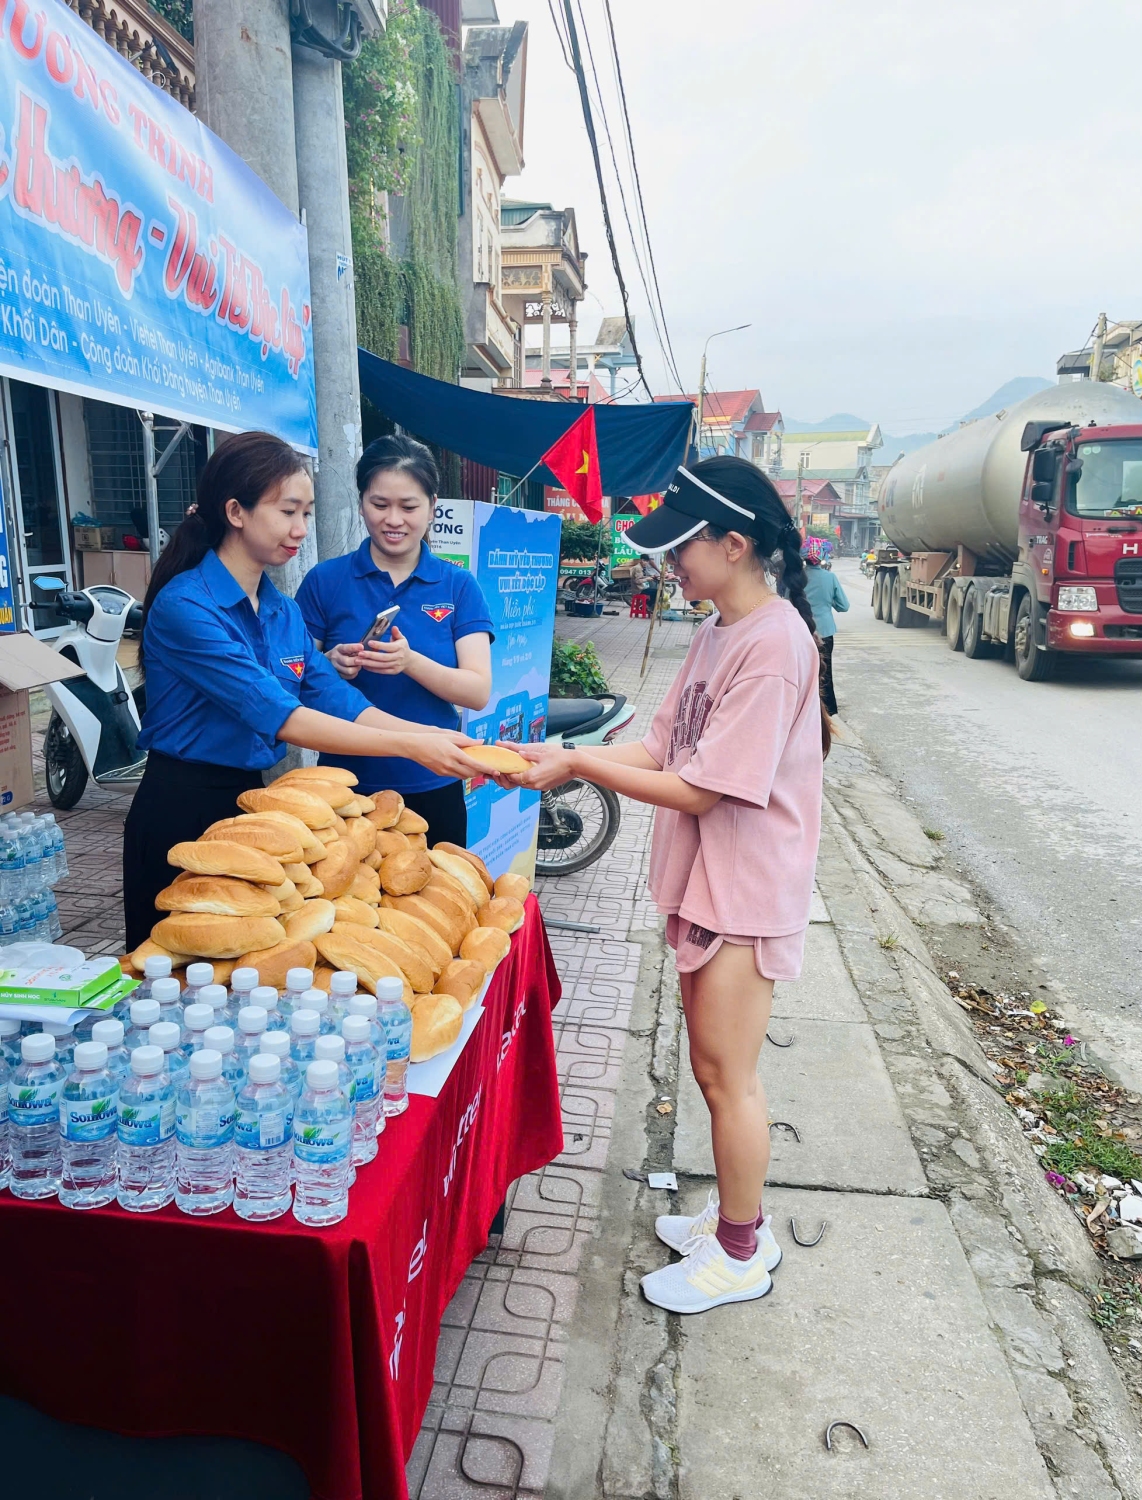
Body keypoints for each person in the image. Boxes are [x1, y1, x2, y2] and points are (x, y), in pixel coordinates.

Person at [500, 456, 829, 1315]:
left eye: (681, 547)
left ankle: (740, 1251)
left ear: (735, 542)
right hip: (709, 878)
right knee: (711, 1065)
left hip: (746, 886)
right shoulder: (723, 629)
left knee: (728, 1078)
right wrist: (561, 759)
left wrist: (574, 762)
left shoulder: (775, 645)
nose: (667, 564)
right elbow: (658, 748)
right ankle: (731, 1218)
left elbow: (705, 786)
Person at [123, 431, 482, 949]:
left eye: (307, 514)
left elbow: (341, 703)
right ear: (236, 511)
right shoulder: (187, 607)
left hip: (251, 807)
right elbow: (280, 714)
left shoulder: (281, 610)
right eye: (288, 511)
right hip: (180, 802)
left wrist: (441, 741)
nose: (299, 529)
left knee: (240, 975)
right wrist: (414, 745)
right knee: (169, 972)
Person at [294, 435, 493, 847]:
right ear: (362, 501)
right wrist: (329, 664)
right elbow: (292, 683)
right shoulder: (324, 581)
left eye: (409, 506)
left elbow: (477, 692)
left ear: (433, 507)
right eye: (379, 504)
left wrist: (411, 662)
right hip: (345, 786)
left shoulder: (458, 586)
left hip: (433, 781)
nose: (393, 519)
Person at [802, 536, 849, 716]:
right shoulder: (830, 577)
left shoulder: (797, 577)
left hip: (803, 631)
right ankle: (827, 712)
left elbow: (788, 600)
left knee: (805, 673)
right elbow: (844, 606)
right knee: (825, 673)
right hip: (825, 632)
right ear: (823, 556)